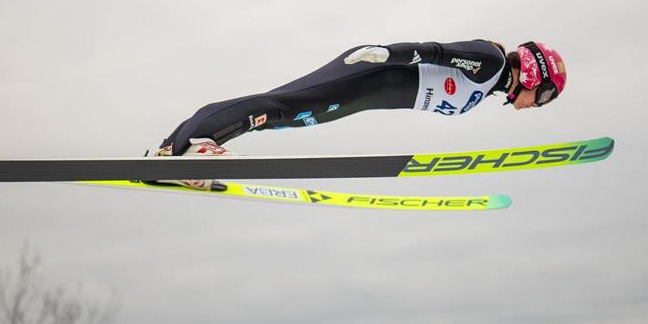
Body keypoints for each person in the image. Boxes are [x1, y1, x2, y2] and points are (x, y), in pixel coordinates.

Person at [156, 40, 567, 190]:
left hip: (362, 96)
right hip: (368, 73)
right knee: (279, 106)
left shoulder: (490, 85)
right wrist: (388, 54)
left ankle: (171, 153)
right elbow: (436, 51)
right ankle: (194, 146)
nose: (540, 103)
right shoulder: (491, 61)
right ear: (534, 73)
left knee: (279, 114)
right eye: (545, 94)